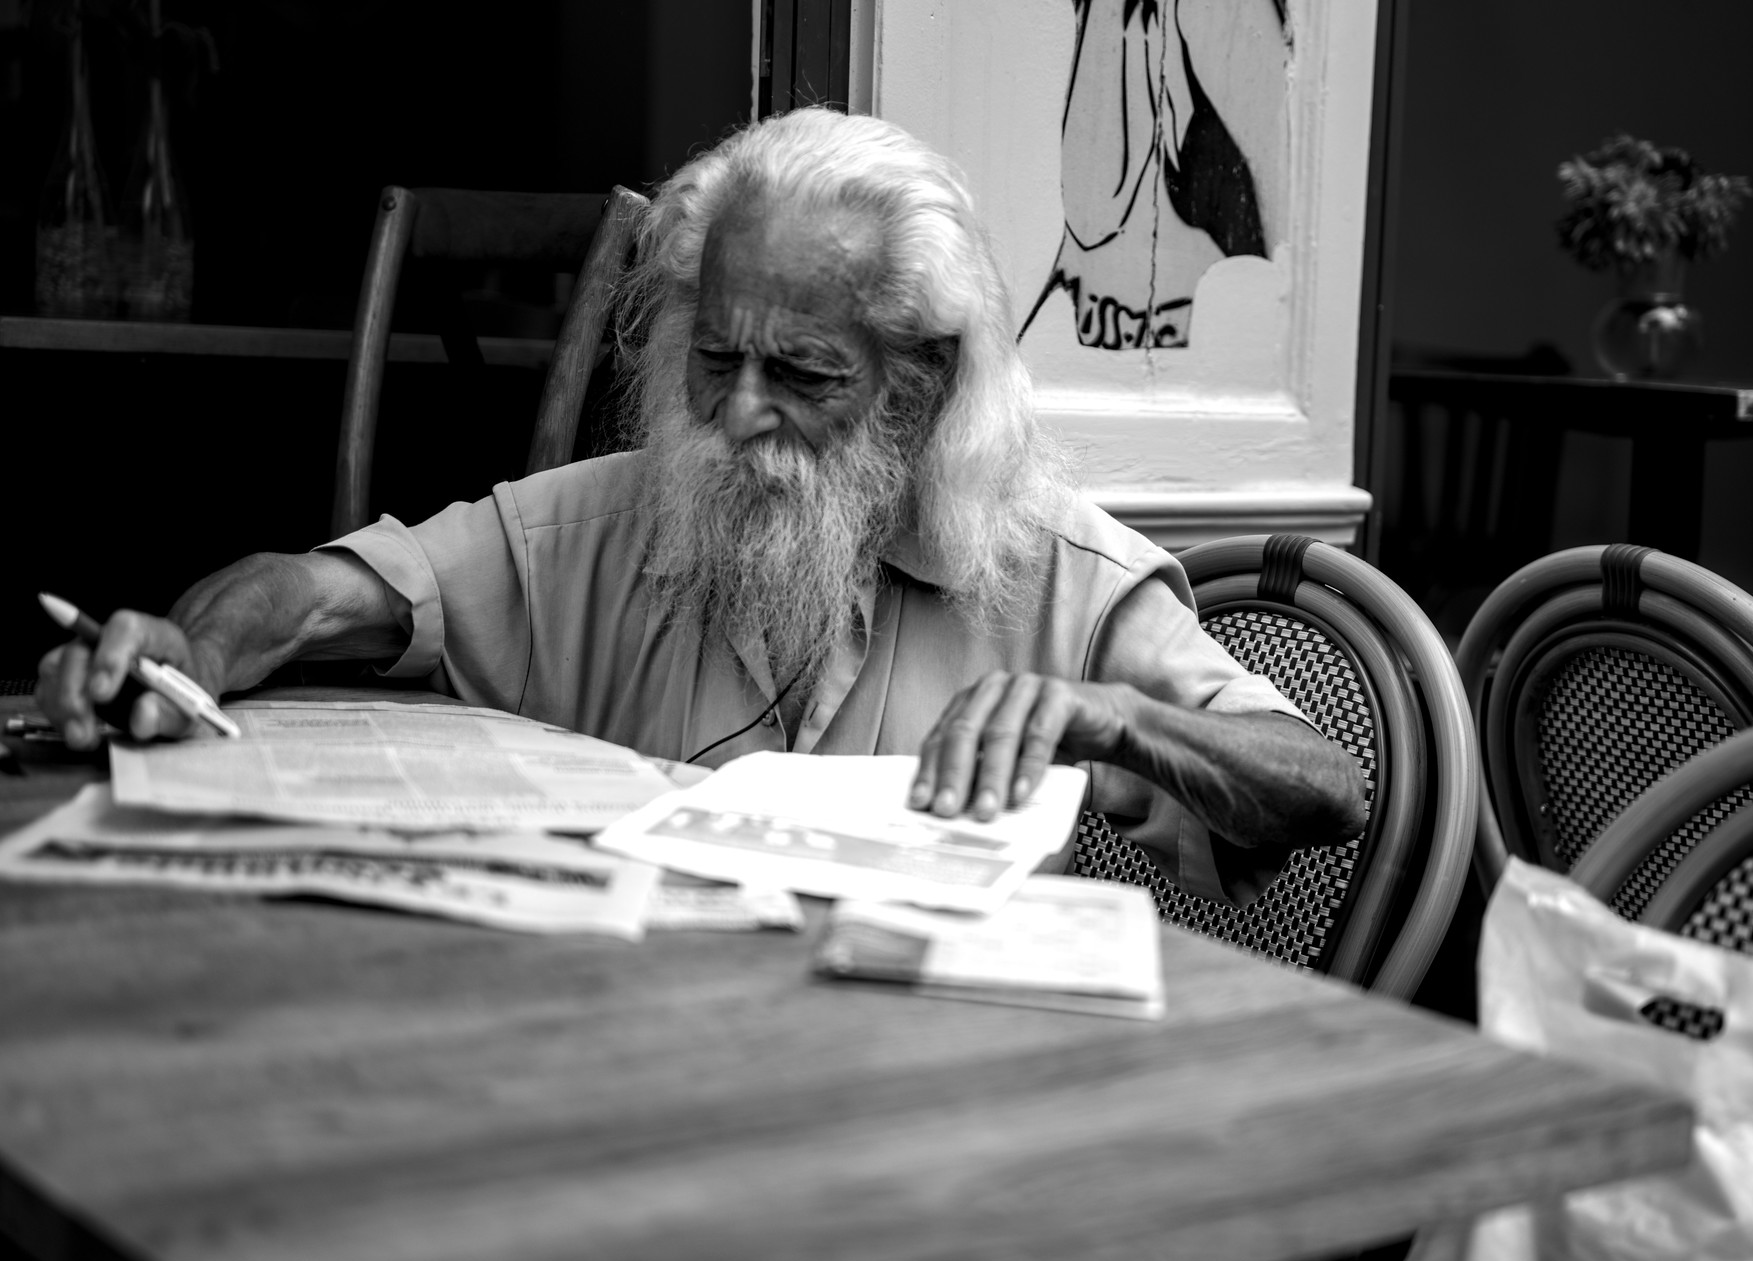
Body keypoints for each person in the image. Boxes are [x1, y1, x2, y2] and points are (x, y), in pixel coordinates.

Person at [37, 107, 1366, 902]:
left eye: (800, 373)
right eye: (716, 360)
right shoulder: (607, 525)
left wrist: (1113, 714)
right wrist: (194, 646)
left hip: (929, 1128)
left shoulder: (1049, 570)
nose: (737, 415)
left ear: (918, 389)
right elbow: (319, 593)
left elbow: (1326, 788)